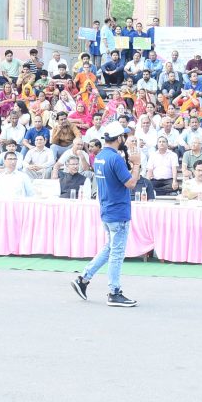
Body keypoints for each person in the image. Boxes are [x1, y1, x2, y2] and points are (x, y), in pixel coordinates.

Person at [71, 122, 140, 308]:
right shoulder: (115, 158)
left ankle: (84, 278)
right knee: (116, 252)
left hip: (107, 208)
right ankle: (114, 291)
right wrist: (137, 164)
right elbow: (131, 183)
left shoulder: (101, 156)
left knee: (110, 248)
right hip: (118, 210)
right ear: (118, 138)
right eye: (123, 136)